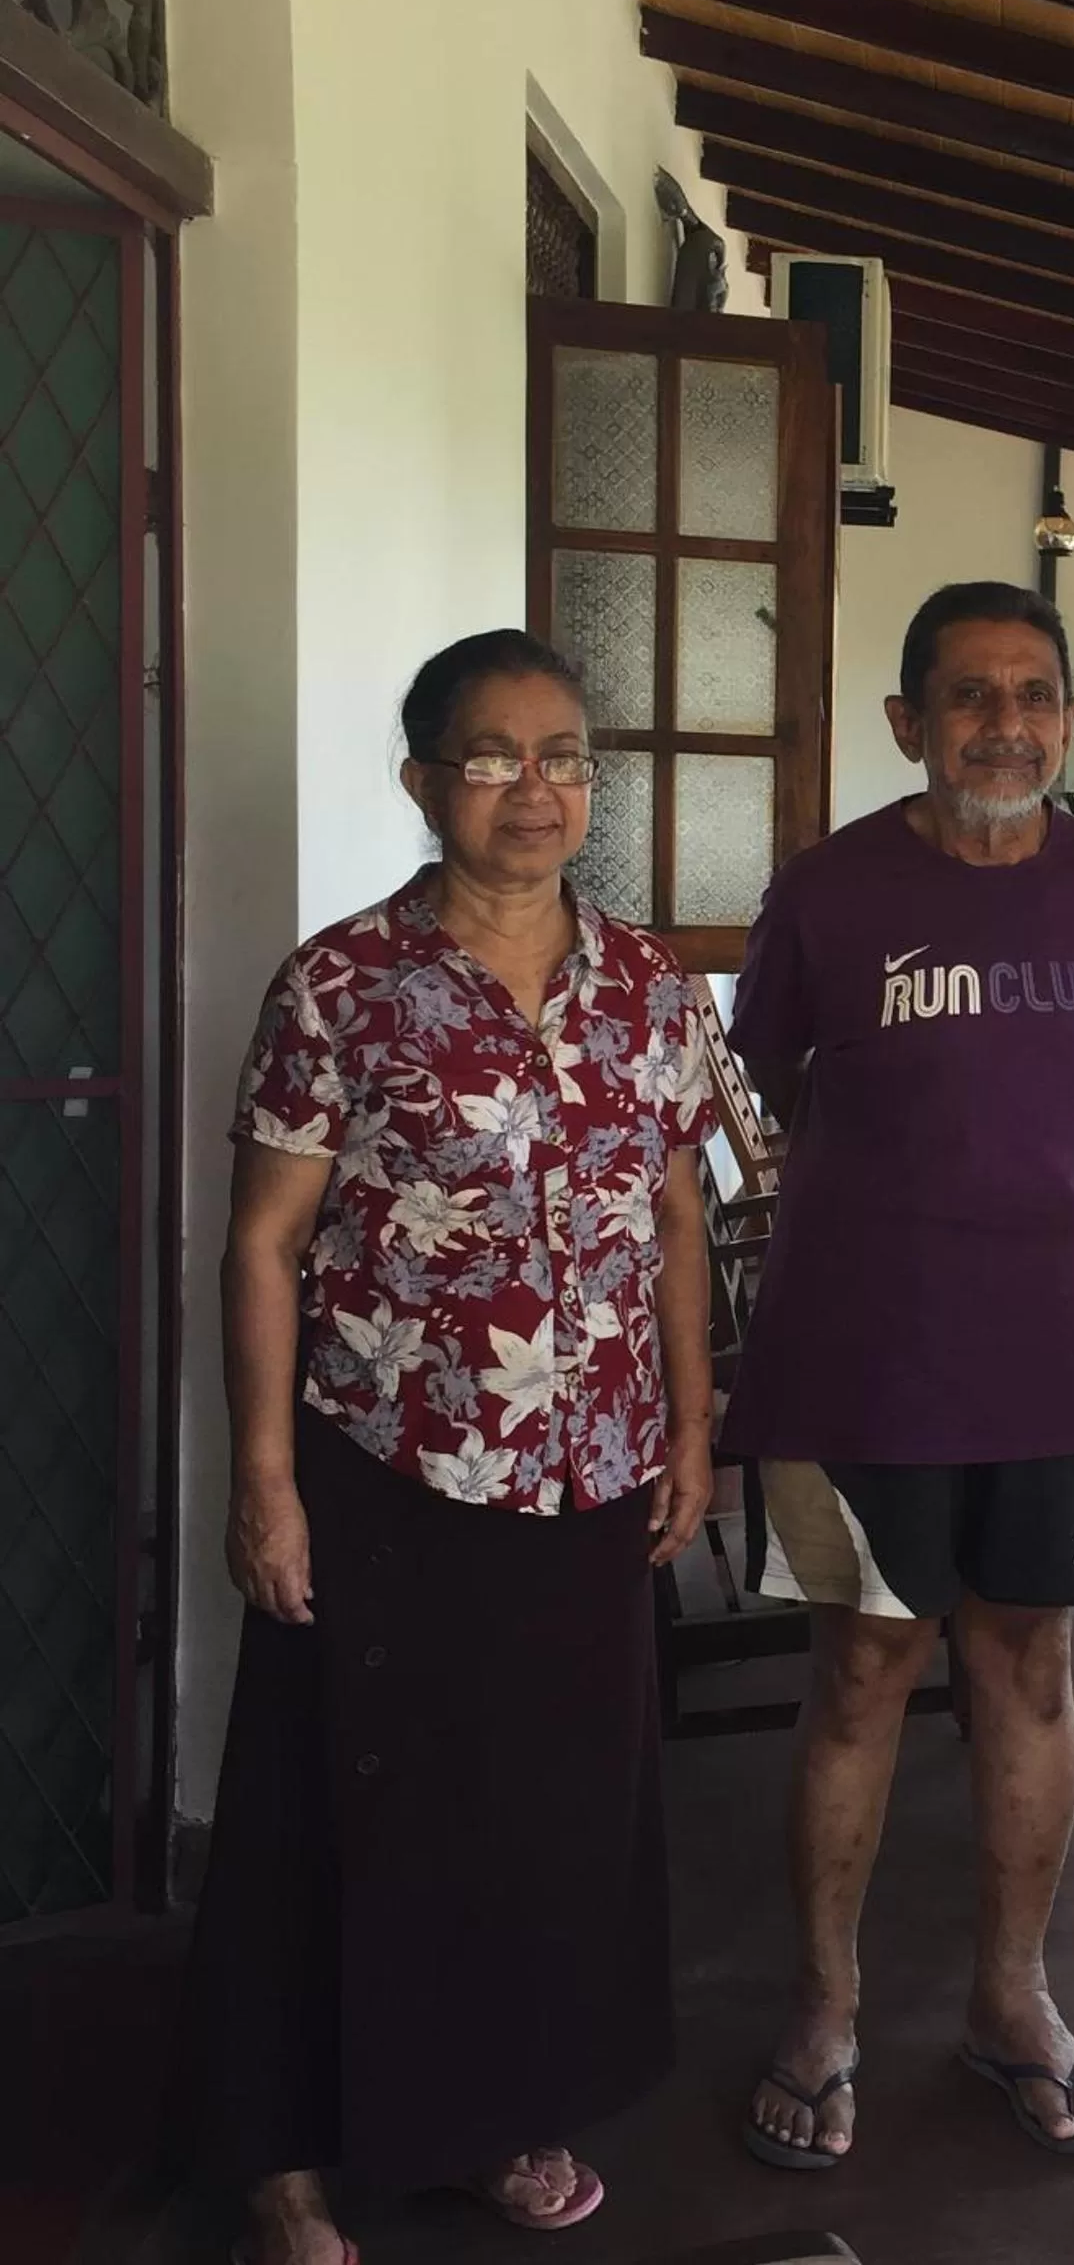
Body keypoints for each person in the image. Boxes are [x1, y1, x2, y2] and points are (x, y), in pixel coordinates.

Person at [182, 630, 716, 2265]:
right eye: (491, 756)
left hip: (592, 1470)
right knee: (342, 1806)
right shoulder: (341, 984)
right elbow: (263, 1242)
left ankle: (499, 2113)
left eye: (561, 756)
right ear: (425, 782)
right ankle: (285, 2154)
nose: (531, 789)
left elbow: (674, 1221)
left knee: (550, 1816)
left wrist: (693, 1426)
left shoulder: (650, 989)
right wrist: (263, 1483)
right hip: (389, 1467)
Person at [727, 581, 1074, 2168]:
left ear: (1067, 720)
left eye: (1035, 695)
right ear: (908, 722)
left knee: (1029, 1669)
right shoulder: (827, 890)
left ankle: (1012, 1998)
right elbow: (776, 1076)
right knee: (863, 1675)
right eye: (972, 696)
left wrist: (1017, 1166)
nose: (1008, 725)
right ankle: (826, 2008)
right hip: (862, 1358)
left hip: (1067, 1350)